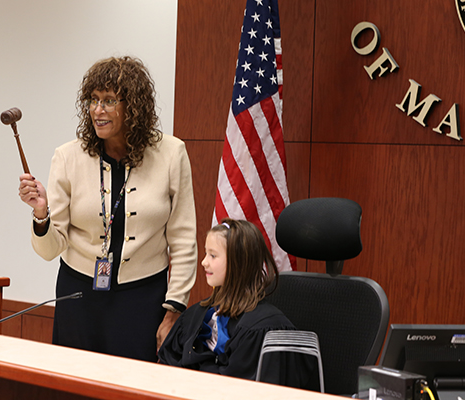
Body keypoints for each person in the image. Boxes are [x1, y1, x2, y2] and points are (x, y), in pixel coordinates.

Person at [18, 56, 197, 362]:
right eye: (93, 100)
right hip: (79, 296)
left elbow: (183, 240)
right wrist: (41, 214)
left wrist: (173, 310)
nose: (97, 110)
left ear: (134, 107)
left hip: (143, 299)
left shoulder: (171, 153)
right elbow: (50, 250)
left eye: (109, 101)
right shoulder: (67, 157)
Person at [158, 218, 316, 388]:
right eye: (205, 254)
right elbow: (167, 370)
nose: (204, 262)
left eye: (213, 255)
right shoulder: (194, 316)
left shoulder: (263, 328)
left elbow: (246, 389)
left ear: (238, 261)